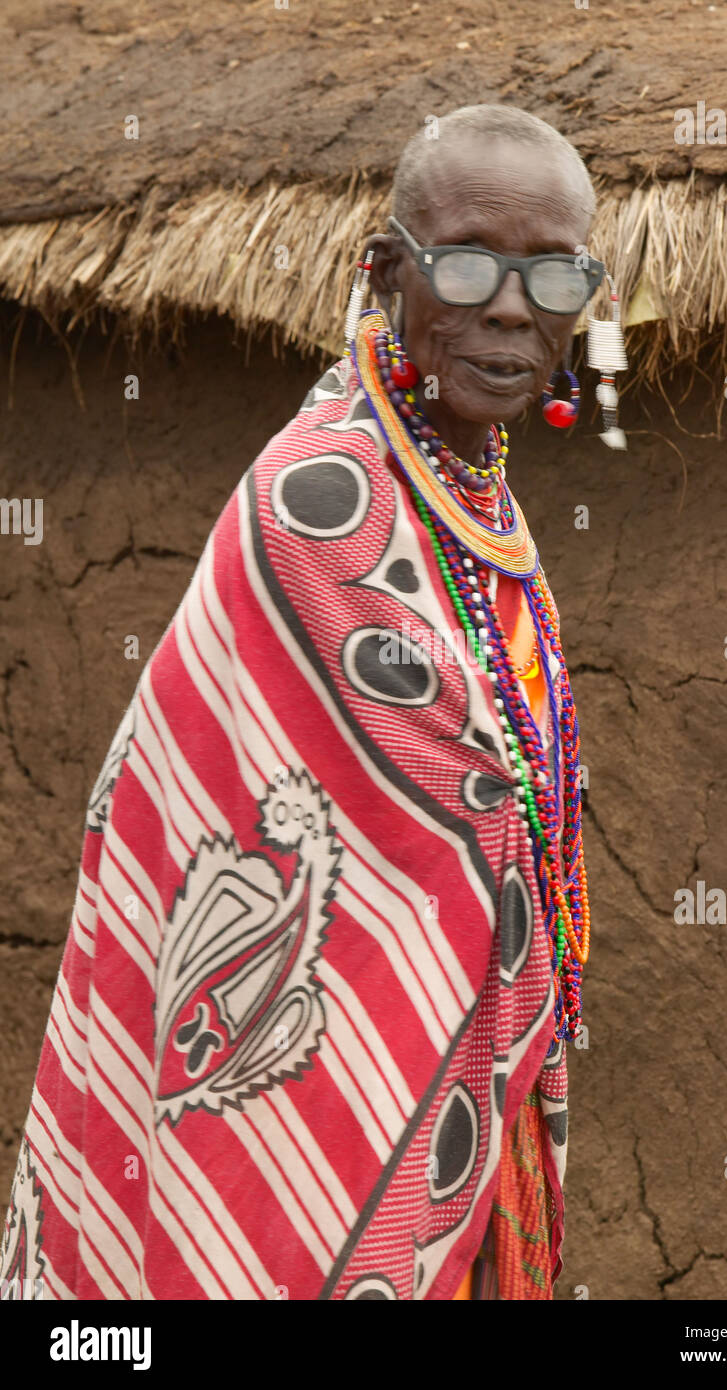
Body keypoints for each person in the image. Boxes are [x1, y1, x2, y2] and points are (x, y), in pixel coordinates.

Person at [0, 103, 598, 1301]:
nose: (512, 307)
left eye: (555, 274)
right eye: (471, 262)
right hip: (305, 1079)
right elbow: (470, 811)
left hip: (434, 1077)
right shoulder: (320, 495)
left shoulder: (466, 493)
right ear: (385, 272)